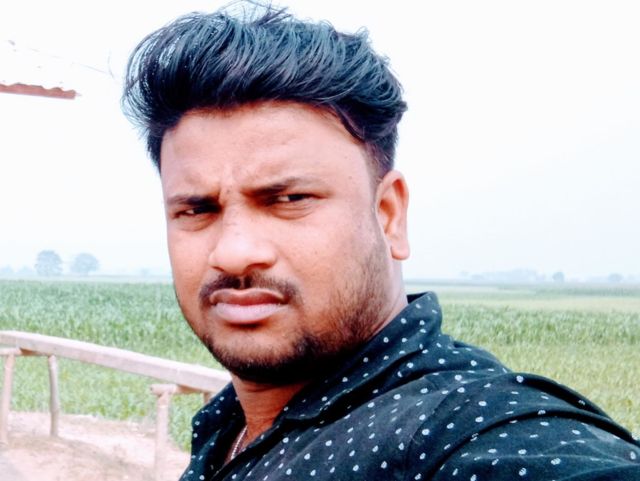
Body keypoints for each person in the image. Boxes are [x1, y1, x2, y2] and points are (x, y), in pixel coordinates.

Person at [122, 3, 640, 480]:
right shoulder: (228, 423)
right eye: (196, 210)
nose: (234, 253)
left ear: (389, 215)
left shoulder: (464, 432)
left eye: (290, 199)